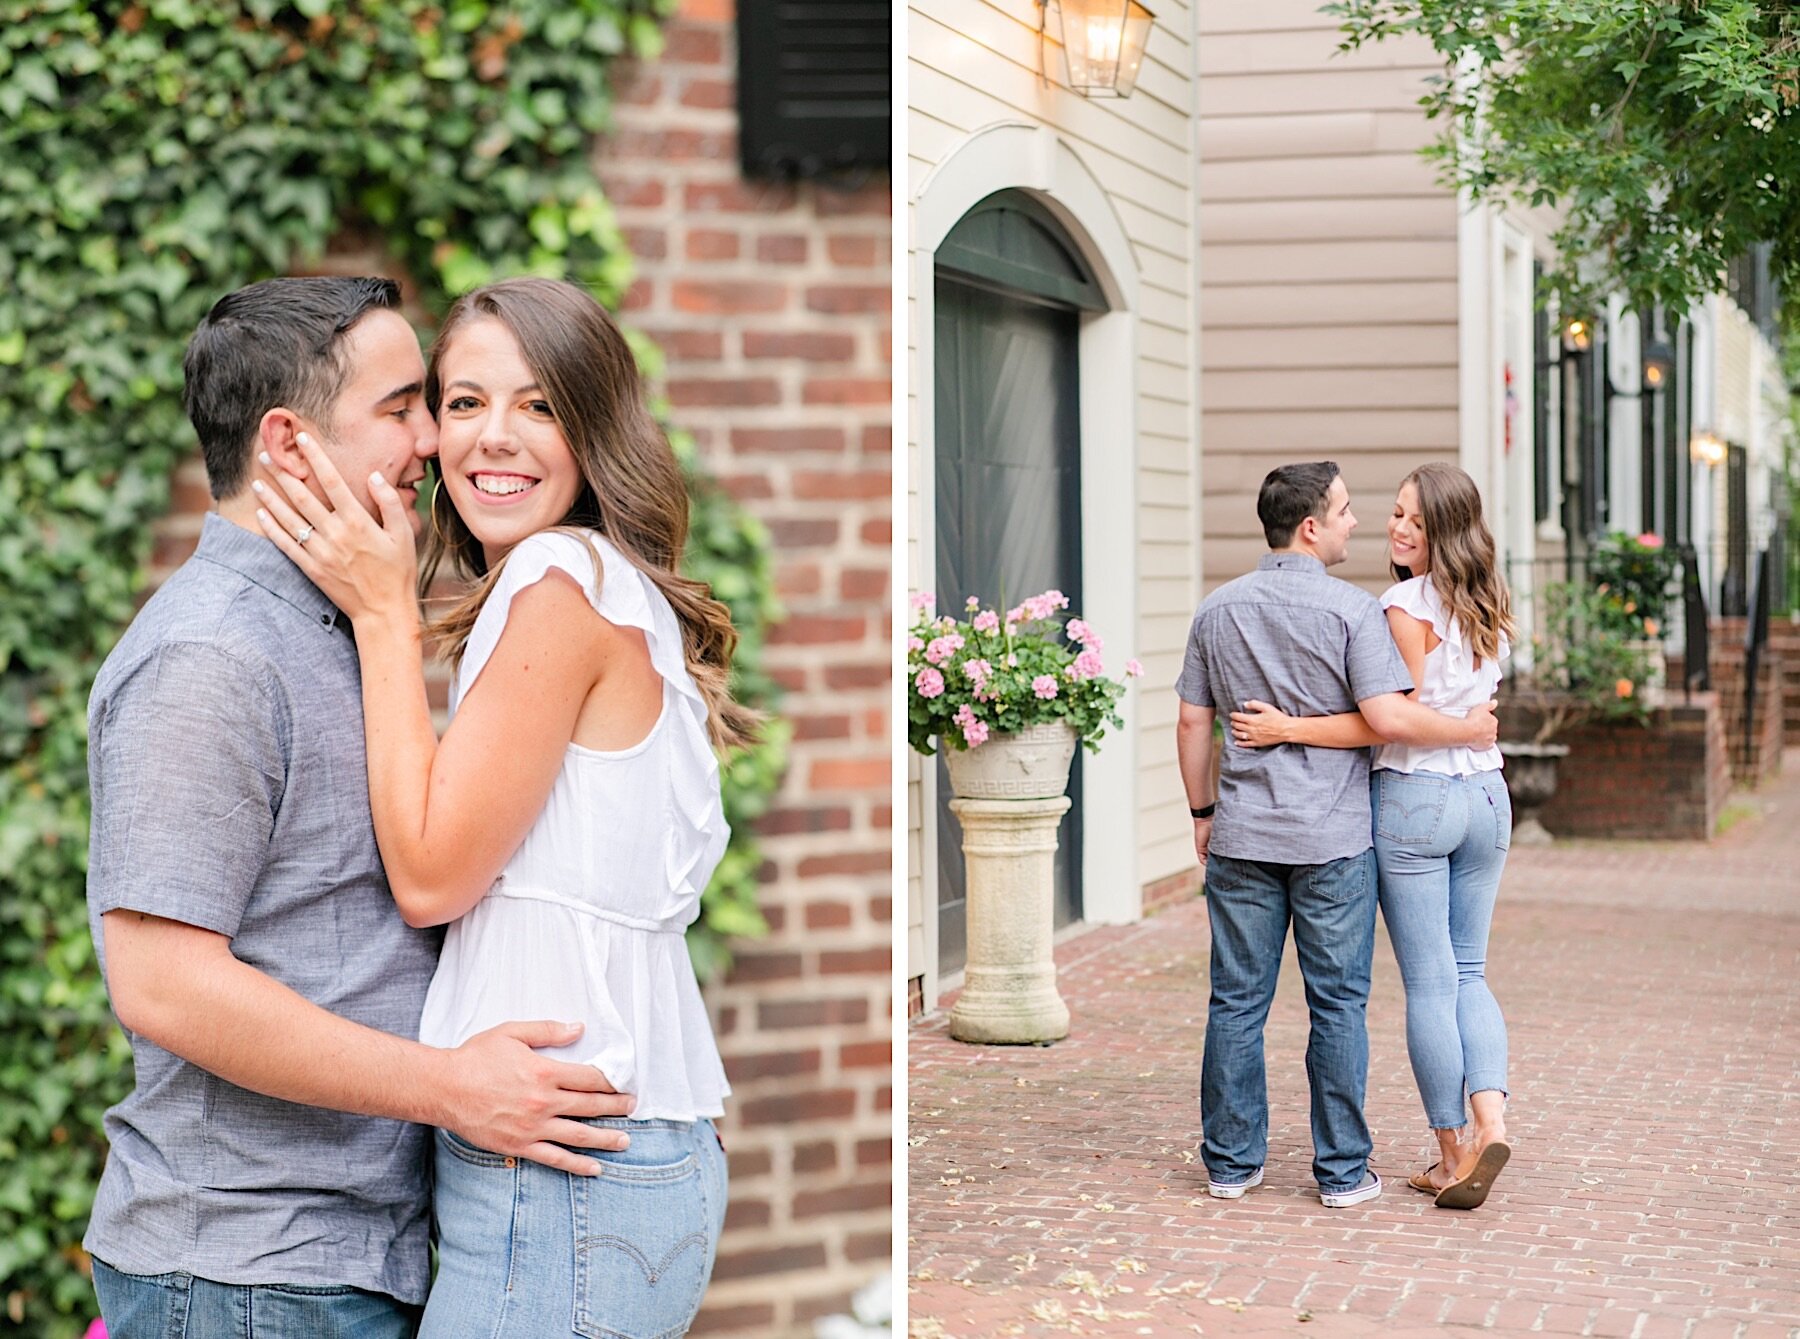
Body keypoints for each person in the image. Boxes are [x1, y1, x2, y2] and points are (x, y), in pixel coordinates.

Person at [85, 277, 637, 1339]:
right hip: (248, 1277)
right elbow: (161, 983)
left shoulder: (330, 621)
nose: (433, 440)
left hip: (330, 1265)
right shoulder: (212, 653)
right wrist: (452, 1088)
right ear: (290, 446)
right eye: (402, 409)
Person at [252, 276, 756, 1338]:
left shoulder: (557, 589)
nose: (495, 438)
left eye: (538, 405)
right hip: (604, 1160)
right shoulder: (599, 584)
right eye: (465, 401)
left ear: (592, 426)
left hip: (565, 1173)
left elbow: (432, 876)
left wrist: (385, 613)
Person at [1174, 460, 1499, 1208]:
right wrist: (1467, 731)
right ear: (1311, 527)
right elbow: (1382, 718)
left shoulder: (1216, 610)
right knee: (1339, 1005)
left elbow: (1194, 720)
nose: (1361, 523)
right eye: (1348, 512)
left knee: (1235, 1001)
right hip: (1335, 841)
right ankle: (1343, 1173)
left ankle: (1230, 1164)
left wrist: (1202, 812)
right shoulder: (1352, 612)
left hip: (1244, 836)